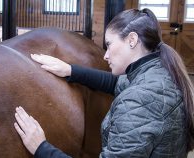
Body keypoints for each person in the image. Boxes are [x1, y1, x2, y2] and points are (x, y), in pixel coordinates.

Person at [13, 8, 194, 157]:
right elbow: (115, 83)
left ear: (132, 40)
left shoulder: (140, 101)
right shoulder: (159, 72)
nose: (105, 55)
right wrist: (70, 70)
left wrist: (41, 148)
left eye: (109, 44)